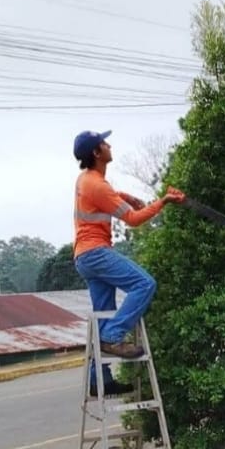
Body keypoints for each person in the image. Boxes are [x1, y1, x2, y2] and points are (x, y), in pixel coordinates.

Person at [72, 129, 185, 391]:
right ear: (96, 152)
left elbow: (106, 196)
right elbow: (133, 219)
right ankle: (113, 337)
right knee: (144, 284)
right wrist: (163, 202)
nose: (109, 145)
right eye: (104, 143)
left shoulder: (86, 179)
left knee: (104, 312)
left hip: (83, 257)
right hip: (96, 253)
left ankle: (99, 380)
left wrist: (127, 197)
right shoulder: (97, 184)